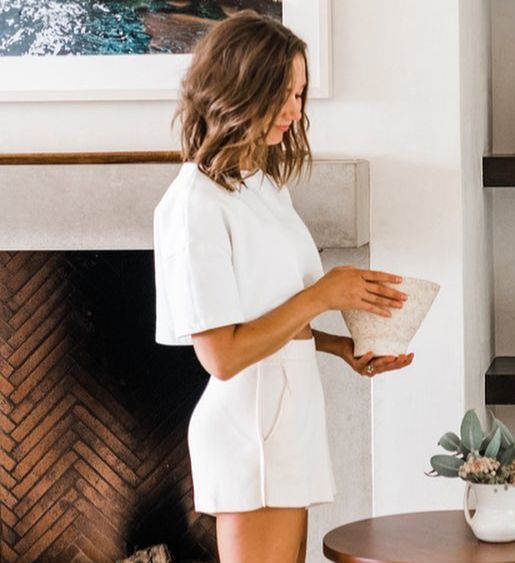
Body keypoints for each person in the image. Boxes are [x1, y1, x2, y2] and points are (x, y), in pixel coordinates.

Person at [152, 12, 412, 563]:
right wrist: (326, 294)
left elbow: (265, 316)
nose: (295, 112)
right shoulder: (195, 204)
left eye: (299, 94)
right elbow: (222, 354)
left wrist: (342, 348)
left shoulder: (261, 186)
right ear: (239, 89)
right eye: (282, 94)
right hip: (252, 433)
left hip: (288, 423)